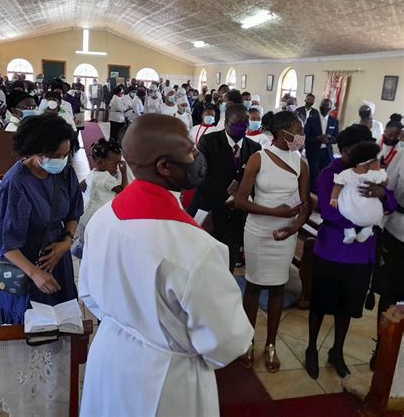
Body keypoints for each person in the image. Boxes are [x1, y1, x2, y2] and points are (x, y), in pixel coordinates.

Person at [78, 113, 253, 416]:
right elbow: (227, 341)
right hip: (168, 377)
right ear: (164, 167)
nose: (197, 155)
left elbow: (89, 292)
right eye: (189, 150)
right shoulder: (195, 248)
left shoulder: (104, 217)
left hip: (111, 353)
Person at [305, 125, 397, 380]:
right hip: (333, 250)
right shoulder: (330, 174)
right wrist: (362, 223)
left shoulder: (372, 171)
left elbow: (390, 203)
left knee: (347, 308)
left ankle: (337, 351)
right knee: (321, 304)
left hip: (361, 255)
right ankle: (311, 348)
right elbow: (329, 211)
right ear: (345, 151)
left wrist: (381, 195)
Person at [0, 114, 83, 325]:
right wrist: (35, 273)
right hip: (24, 262)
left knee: (60, 318)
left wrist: (66, 242)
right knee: (28, 321)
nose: (61, 161)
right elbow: (3, 241)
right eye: (55, 155)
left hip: (56, 256)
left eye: (65, 155)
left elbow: (74, 211)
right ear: (36, 151)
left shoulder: (64, 173)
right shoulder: (15, 184)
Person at [235, 111, 310, 372]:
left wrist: (292, 229)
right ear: (281, 133)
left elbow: (304, 207)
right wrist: (273, 212)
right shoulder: (259, 158)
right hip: (258, 231)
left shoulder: (301, 162)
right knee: (253, 287)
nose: (301, 135)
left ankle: (270, 344)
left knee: (278, 288)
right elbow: (240, 200)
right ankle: (248, 340)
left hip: (284, 234)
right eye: (297, 130)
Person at [189, 104, 261, 270]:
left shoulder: (254, 148)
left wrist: (244, 198)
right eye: (237, 123)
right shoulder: (209, 141)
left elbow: (253, 179)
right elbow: (202, 175)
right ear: (227, 123)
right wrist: (228, 198)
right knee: (202, 261)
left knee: (229, 260)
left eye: (245, 122)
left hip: (236, 214)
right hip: (210, 209)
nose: (242, 126)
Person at [370, 148, 404, 369]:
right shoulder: (402, 154)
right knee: (390, 294)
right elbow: (388, 191)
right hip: (397, 232)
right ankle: (382, 348)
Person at [74, 138, 127, 258]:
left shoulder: (93, 173)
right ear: (101, 163)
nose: (117, 167)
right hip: (98, 216)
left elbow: (81, 187)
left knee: (86, 242)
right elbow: (123, 191)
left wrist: (92, 194)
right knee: (97, 244)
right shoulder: (106, 178)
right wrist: (124, 173)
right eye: (115, 164)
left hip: (86, 214)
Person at [330, 142, 387, 244]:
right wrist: (383, 177)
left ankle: (349, 230)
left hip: (349, 207)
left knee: (346, 215)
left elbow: (337, 186)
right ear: (370, 163)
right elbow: (385, 182)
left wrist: (333, 198)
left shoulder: (346, 173)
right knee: (375, 216)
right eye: (379, 160)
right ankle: (368, 229)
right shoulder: (376, 175)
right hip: (369, 208)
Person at [304, 98, 339, 192]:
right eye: (323, 105)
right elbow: (306, 137)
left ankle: (322, 192)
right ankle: (312, 194)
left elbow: (336, 139)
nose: (324, 107)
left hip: (326, 153)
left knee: (325, 175)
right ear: (320, 106)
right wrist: (317, 138)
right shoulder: (311, 120)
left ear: (330, 108)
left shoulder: (334, 121)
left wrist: (329, 139)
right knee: (314, 175)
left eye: (327, 106)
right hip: (314, 152)